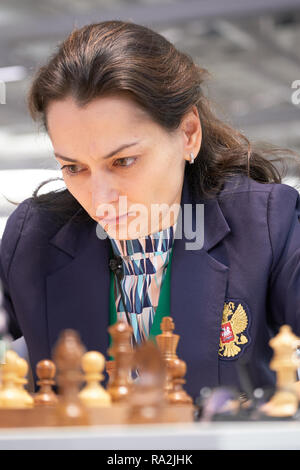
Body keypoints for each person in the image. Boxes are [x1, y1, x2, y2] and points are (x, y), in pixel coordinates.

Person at [1, 20, 300, 400]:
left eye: (123, 161)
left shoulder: (266, 224)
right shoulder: (31, 241)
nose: (101, 198)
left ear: (189, 133)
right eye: (74, 167)